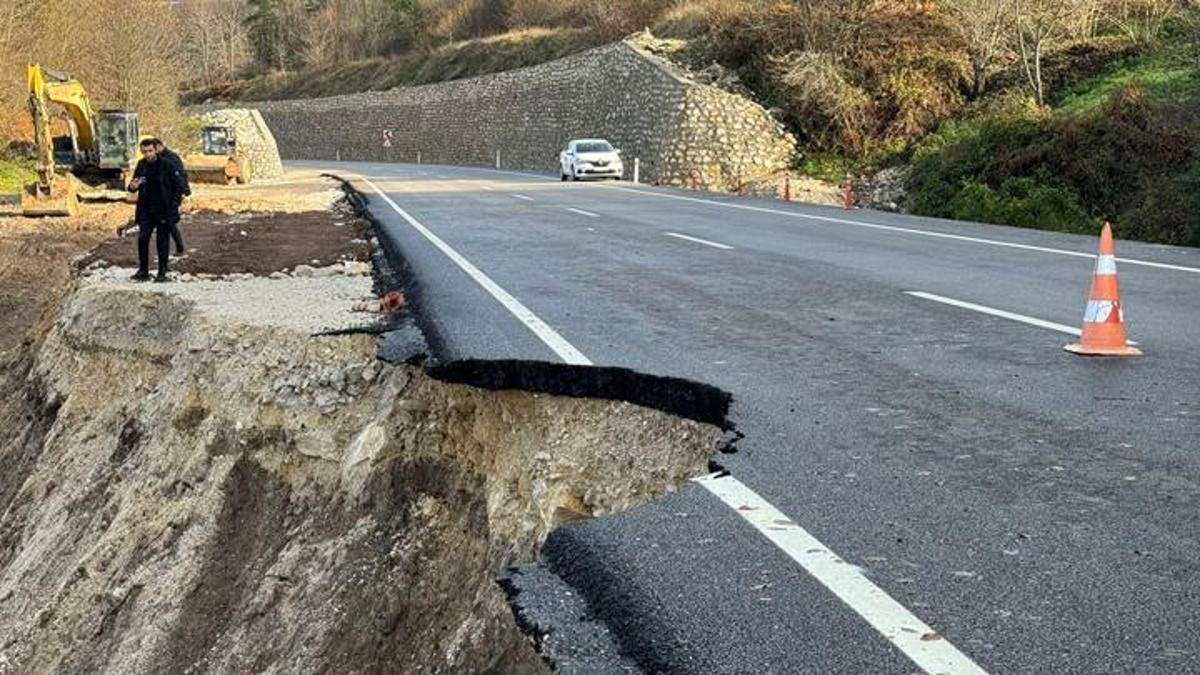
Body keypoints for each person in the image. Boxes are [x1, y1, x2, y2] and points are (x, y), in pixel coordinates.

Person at [128, 138, 187, 282]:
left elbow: (178, 186)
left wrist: (174, 206)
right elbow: (132, 185)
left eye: (150, 151)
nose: (147, 154)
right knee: (143, 239)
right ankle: (143, 271)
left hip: (163, 208)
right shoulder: (141, 165)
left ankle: (162, 272)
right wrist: (133, 186)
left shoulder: (167, 164)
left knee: (162, 241)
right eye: (144, 152)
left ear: (156, 150)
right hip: (146, 209)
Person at [153, 139, 190, 256]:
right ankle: (177, 248)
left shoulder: (171, 158)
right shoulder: (161, 158)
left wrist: (182, 192)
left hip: (173, 195)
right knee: (168, 222)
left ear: (160, 146)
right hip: (164, 196)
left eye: (154, 148)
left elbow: (179, 177)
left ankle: (179, 248)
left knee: (170, 221)